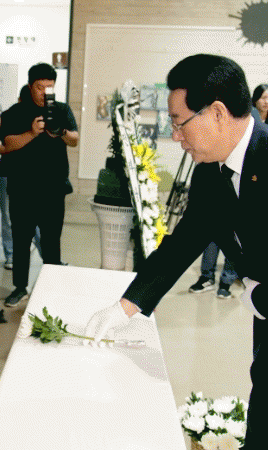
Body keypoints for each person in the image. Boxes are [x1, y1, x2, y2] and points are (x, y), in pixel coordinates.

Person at [84, 54, 268, 449]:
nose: (175, 136)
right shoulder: (210, 171)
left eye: (179, 122)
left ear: (217, 113)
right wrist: (125, 308)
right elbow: (183, 244)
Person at [0, 63, 78, 308]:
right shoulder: (15, 112)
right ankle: (20, 287)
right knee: (21, 240)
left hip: (54, 188)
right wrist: (31, 133)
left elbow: (74, 139)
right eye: (40, 87)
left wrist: (61, 132)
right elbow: (3, 144)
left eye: (49, 87)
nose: (44, 92)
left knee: (52, 241)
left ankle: (51, 288)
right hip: (22, 188)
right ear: (30, 86)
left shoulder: (61, 109)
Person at [0, 84, 42, 270]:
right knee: (14, 218)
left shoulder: (40, 118)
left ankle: (42, 256)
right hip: (10, 174)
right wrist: (8, 149)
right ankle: (13, 255)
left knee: (25, 218)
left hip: (30, 176)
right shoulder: (9, 116)